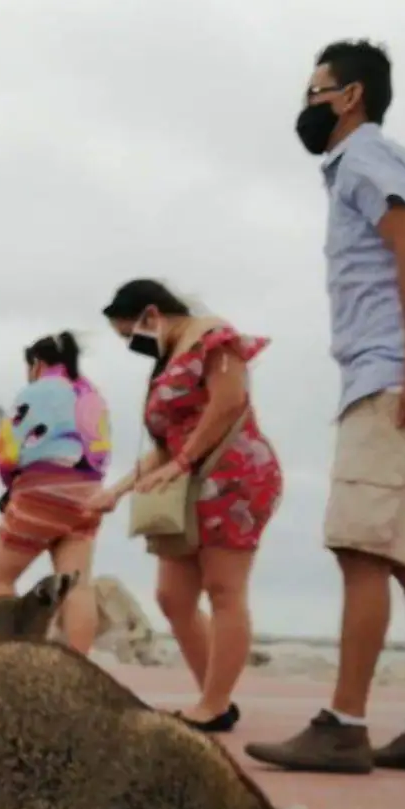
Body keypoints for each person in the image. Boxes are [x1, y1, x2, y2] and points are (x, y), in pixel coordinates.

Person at [245, 39, 405, 777]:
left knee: (361, 550)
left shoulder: (363, 159)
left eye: (315, 89)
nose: (307, 102)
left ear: (347, 96)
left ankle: (343, 724)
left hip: (390, 380)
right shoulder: (383, 162)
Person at [95, 280, 283, 734]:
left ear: (152, 315)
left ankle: (214, 704)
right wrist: (118, 490)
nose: (132, 346)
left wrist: (182, 461)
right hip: (188, 482)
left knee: (224, 588)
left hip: (232, 475)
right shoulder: (170, 358)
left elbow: (228, 403)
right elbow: (166, 442)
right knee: (173, 597)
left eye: (130, 335)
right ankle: (213, 697)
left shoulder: (214, 338)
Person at [0, 331, 110, 653]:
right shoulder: (91, 394)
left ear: (37, 364)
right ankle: (80, 668)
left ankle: (1, 657)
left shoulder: (37, 391)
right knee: (78, 585)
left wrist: (7, 479)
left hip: (41, 492)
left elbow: (7, 451)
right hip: (89, 495)